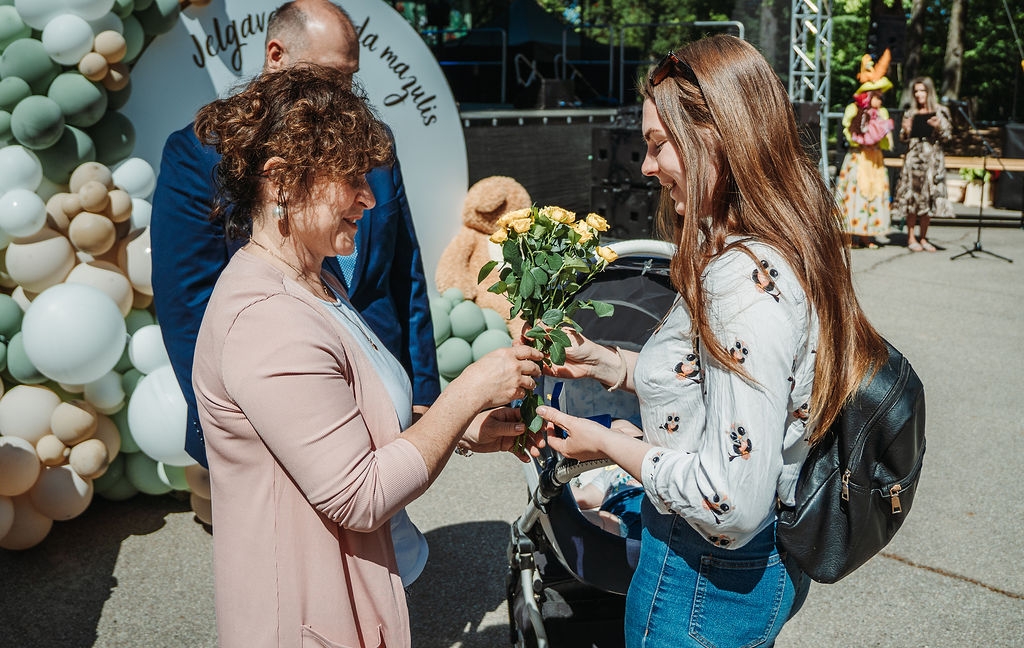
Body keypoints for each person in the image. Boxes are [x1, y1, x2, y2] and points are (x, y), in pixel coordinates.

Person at [530, 35, 888, 648]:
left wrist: (610, 447)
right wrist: (614, 365)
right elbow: (726, 388)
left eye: (658, 145)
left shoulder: (743, 286)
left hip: (704, 584)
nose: (645, 167)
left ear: (716, 135)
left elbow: (730, 501)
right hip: (728, 577)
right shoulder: (771, 249)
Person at [190, 64, 544, 648]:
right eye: (351, 180)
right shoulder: (267, 320)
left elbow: (347, 416)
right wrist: (466, 393)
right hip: (304, 619)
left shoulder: (316, 279)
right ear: (281, 181)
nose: (370, 198)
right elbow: (359, 496)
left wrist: (458, 430)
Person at [150, 0, 440, 471]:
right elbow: (188, 308)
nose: (345, 93)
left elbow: (405, 270)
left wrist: (423, 392)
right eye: (331, 76)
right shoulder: (202, 154)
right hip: (272, 412)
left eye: (351, 77)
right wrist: (227, 422)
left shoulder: (375, 143)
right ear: (276, 54)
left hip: (382, 394)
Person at [835, 53, 895, 249]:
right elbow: (848, 132)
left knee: (874, 192)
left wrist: (881, 137)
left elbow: (887, 141)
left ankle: (868, 235)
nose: (879, 97)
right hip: (858, 156)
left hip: (874, 157)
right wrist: (860, 131)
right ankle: (849, 234)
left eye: (880, 94)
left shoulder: (883, 113)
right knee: (854, 192)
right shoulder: (853, 109)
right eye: (875, 94)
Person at [893, 76, 954, 252]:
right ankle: (911, 237)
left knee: (927, 201)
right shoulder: (910, 112)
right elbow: (903, 140)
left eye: (922, 90)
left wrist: (938, 127)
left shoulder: (940, 111)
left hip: (932, 162)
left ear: (929, 92)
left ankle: (924, 237)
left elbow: (948, 137)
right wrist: (906, 130)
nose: (919, 94)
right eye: (916, 91)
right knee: (912, 200)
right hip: (914, 161)